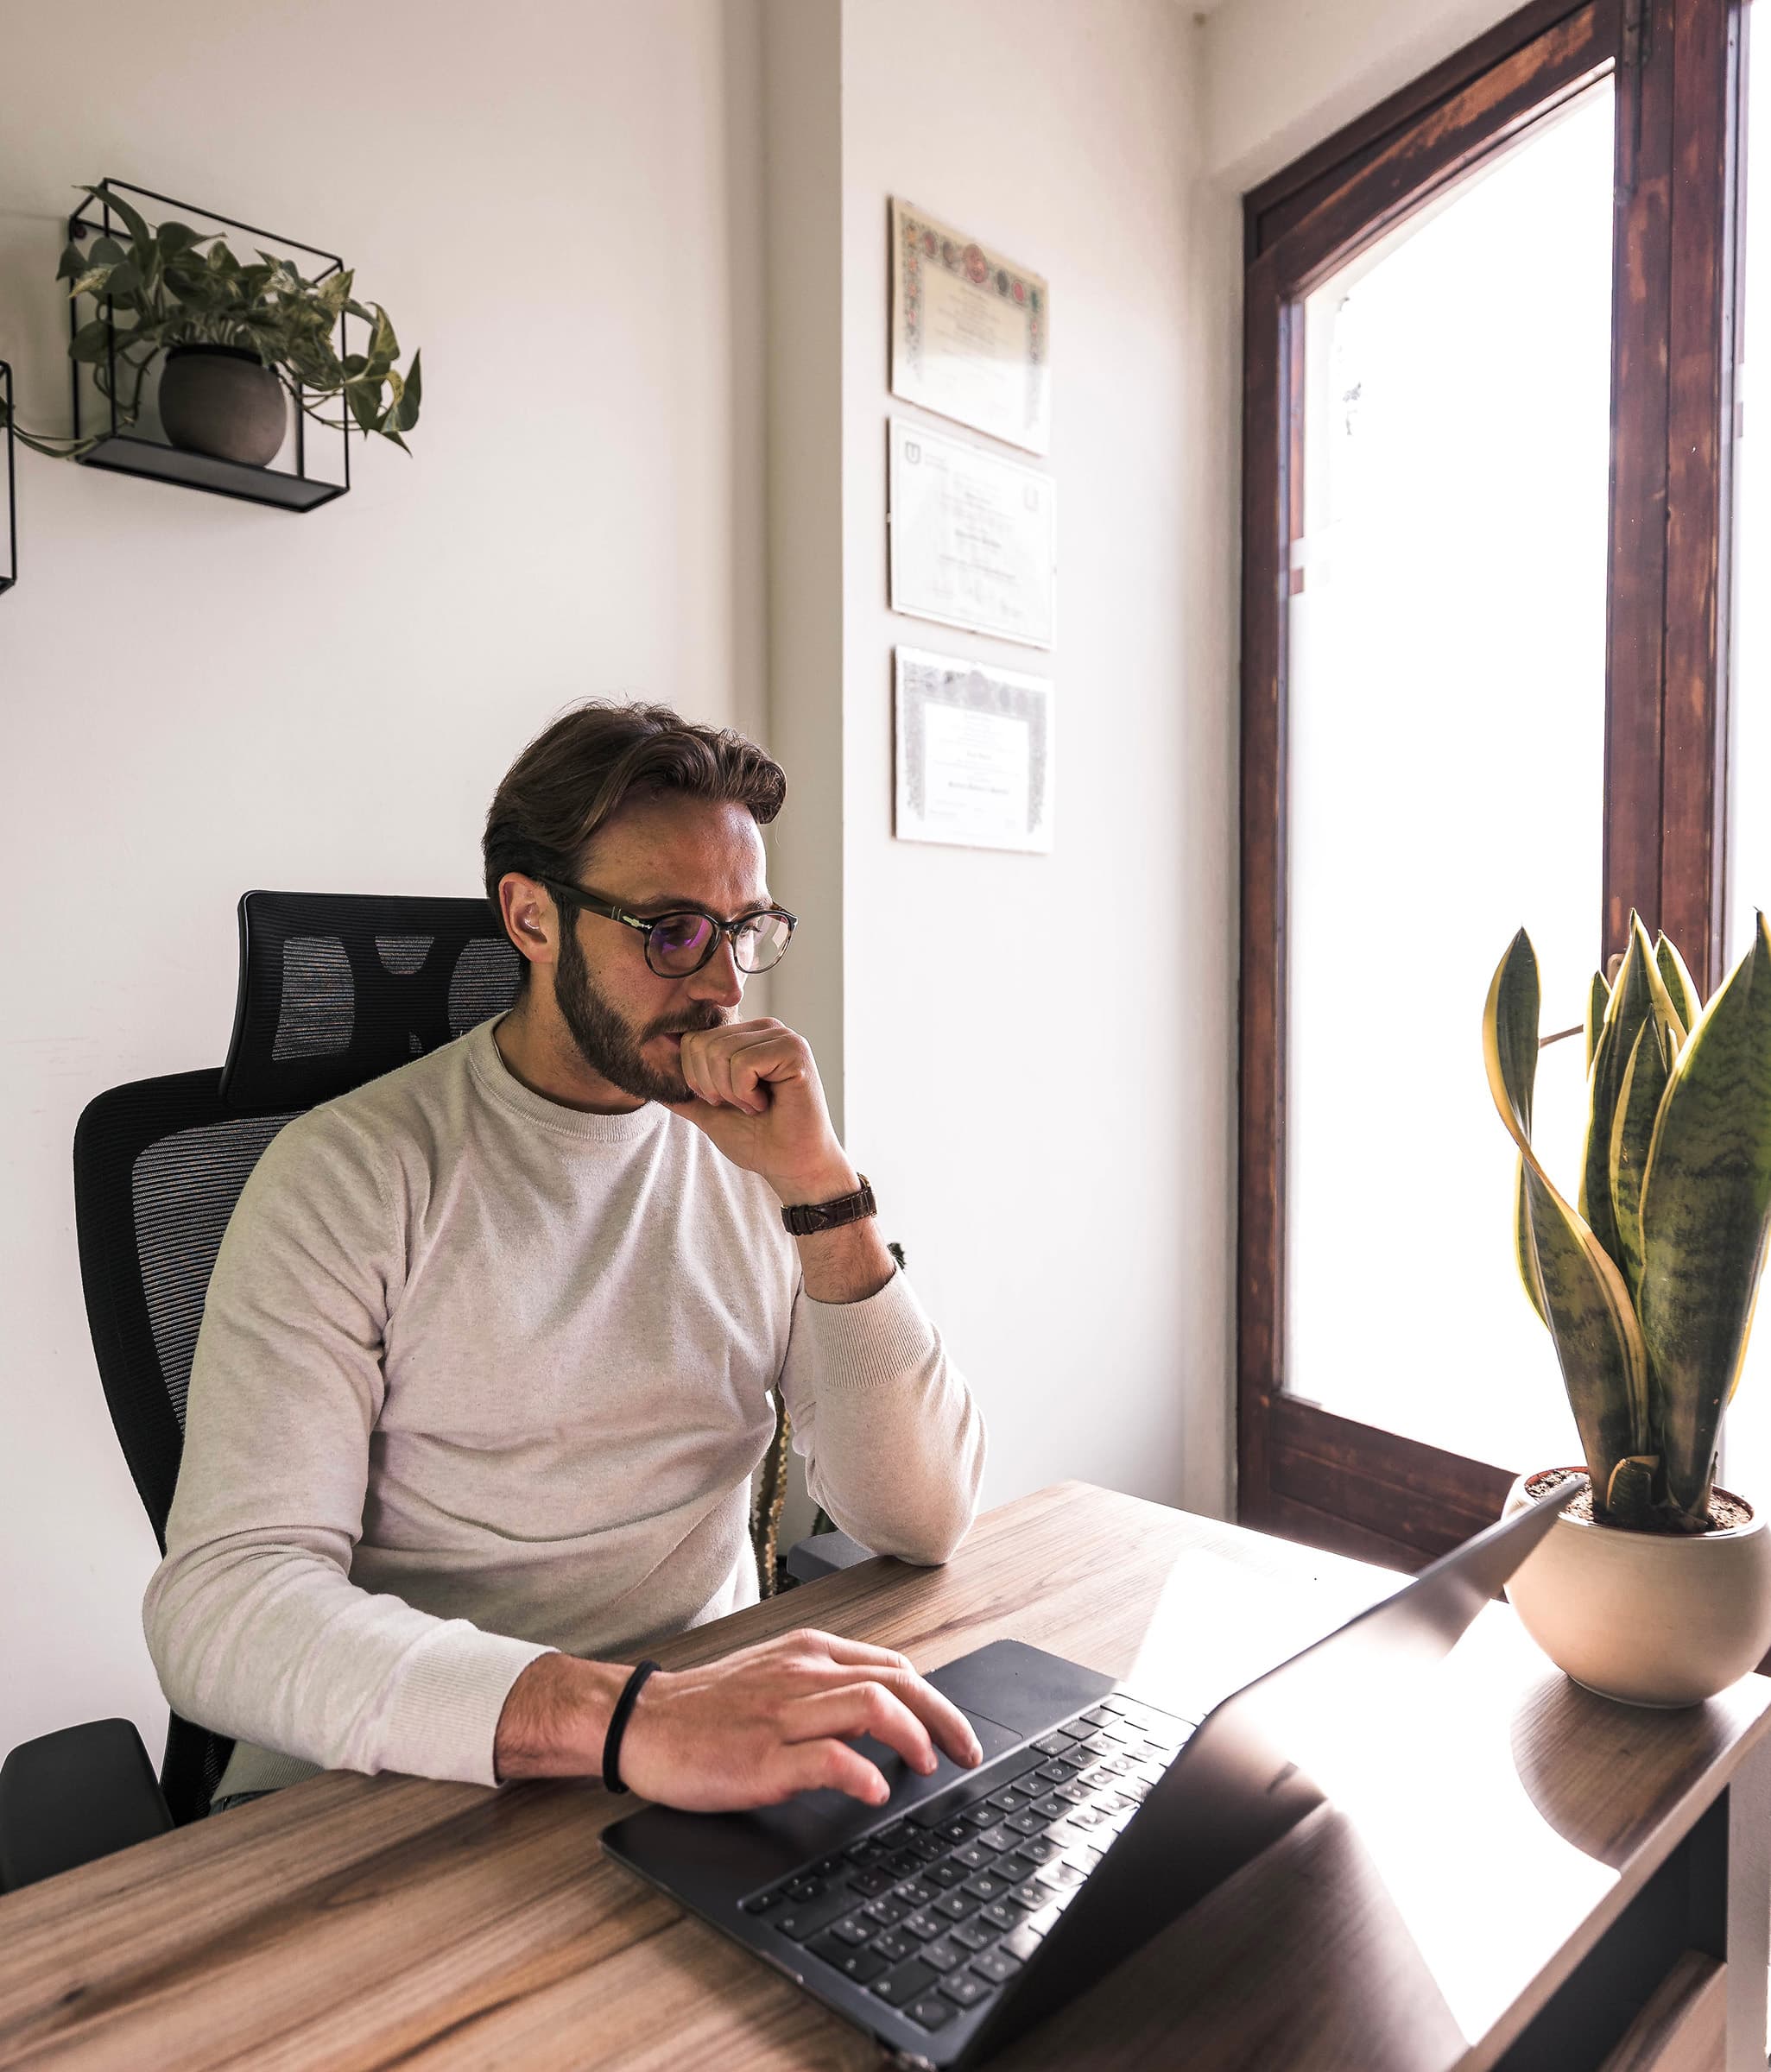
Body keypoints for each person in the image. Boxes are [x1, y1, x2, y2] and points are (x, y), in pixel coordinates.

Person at [144, 702, 986, 1813]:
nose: (725, 986)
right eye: (672, 929)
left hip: (703, 1740)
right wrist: (625, 1718)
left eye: (745, 930)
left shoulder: (755, 1151)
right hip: (413, 1777)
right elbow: (224, 1602)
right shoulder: (347, 1175)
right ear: (531, 918)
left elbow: (917, 1521)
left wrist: (824, 1193)